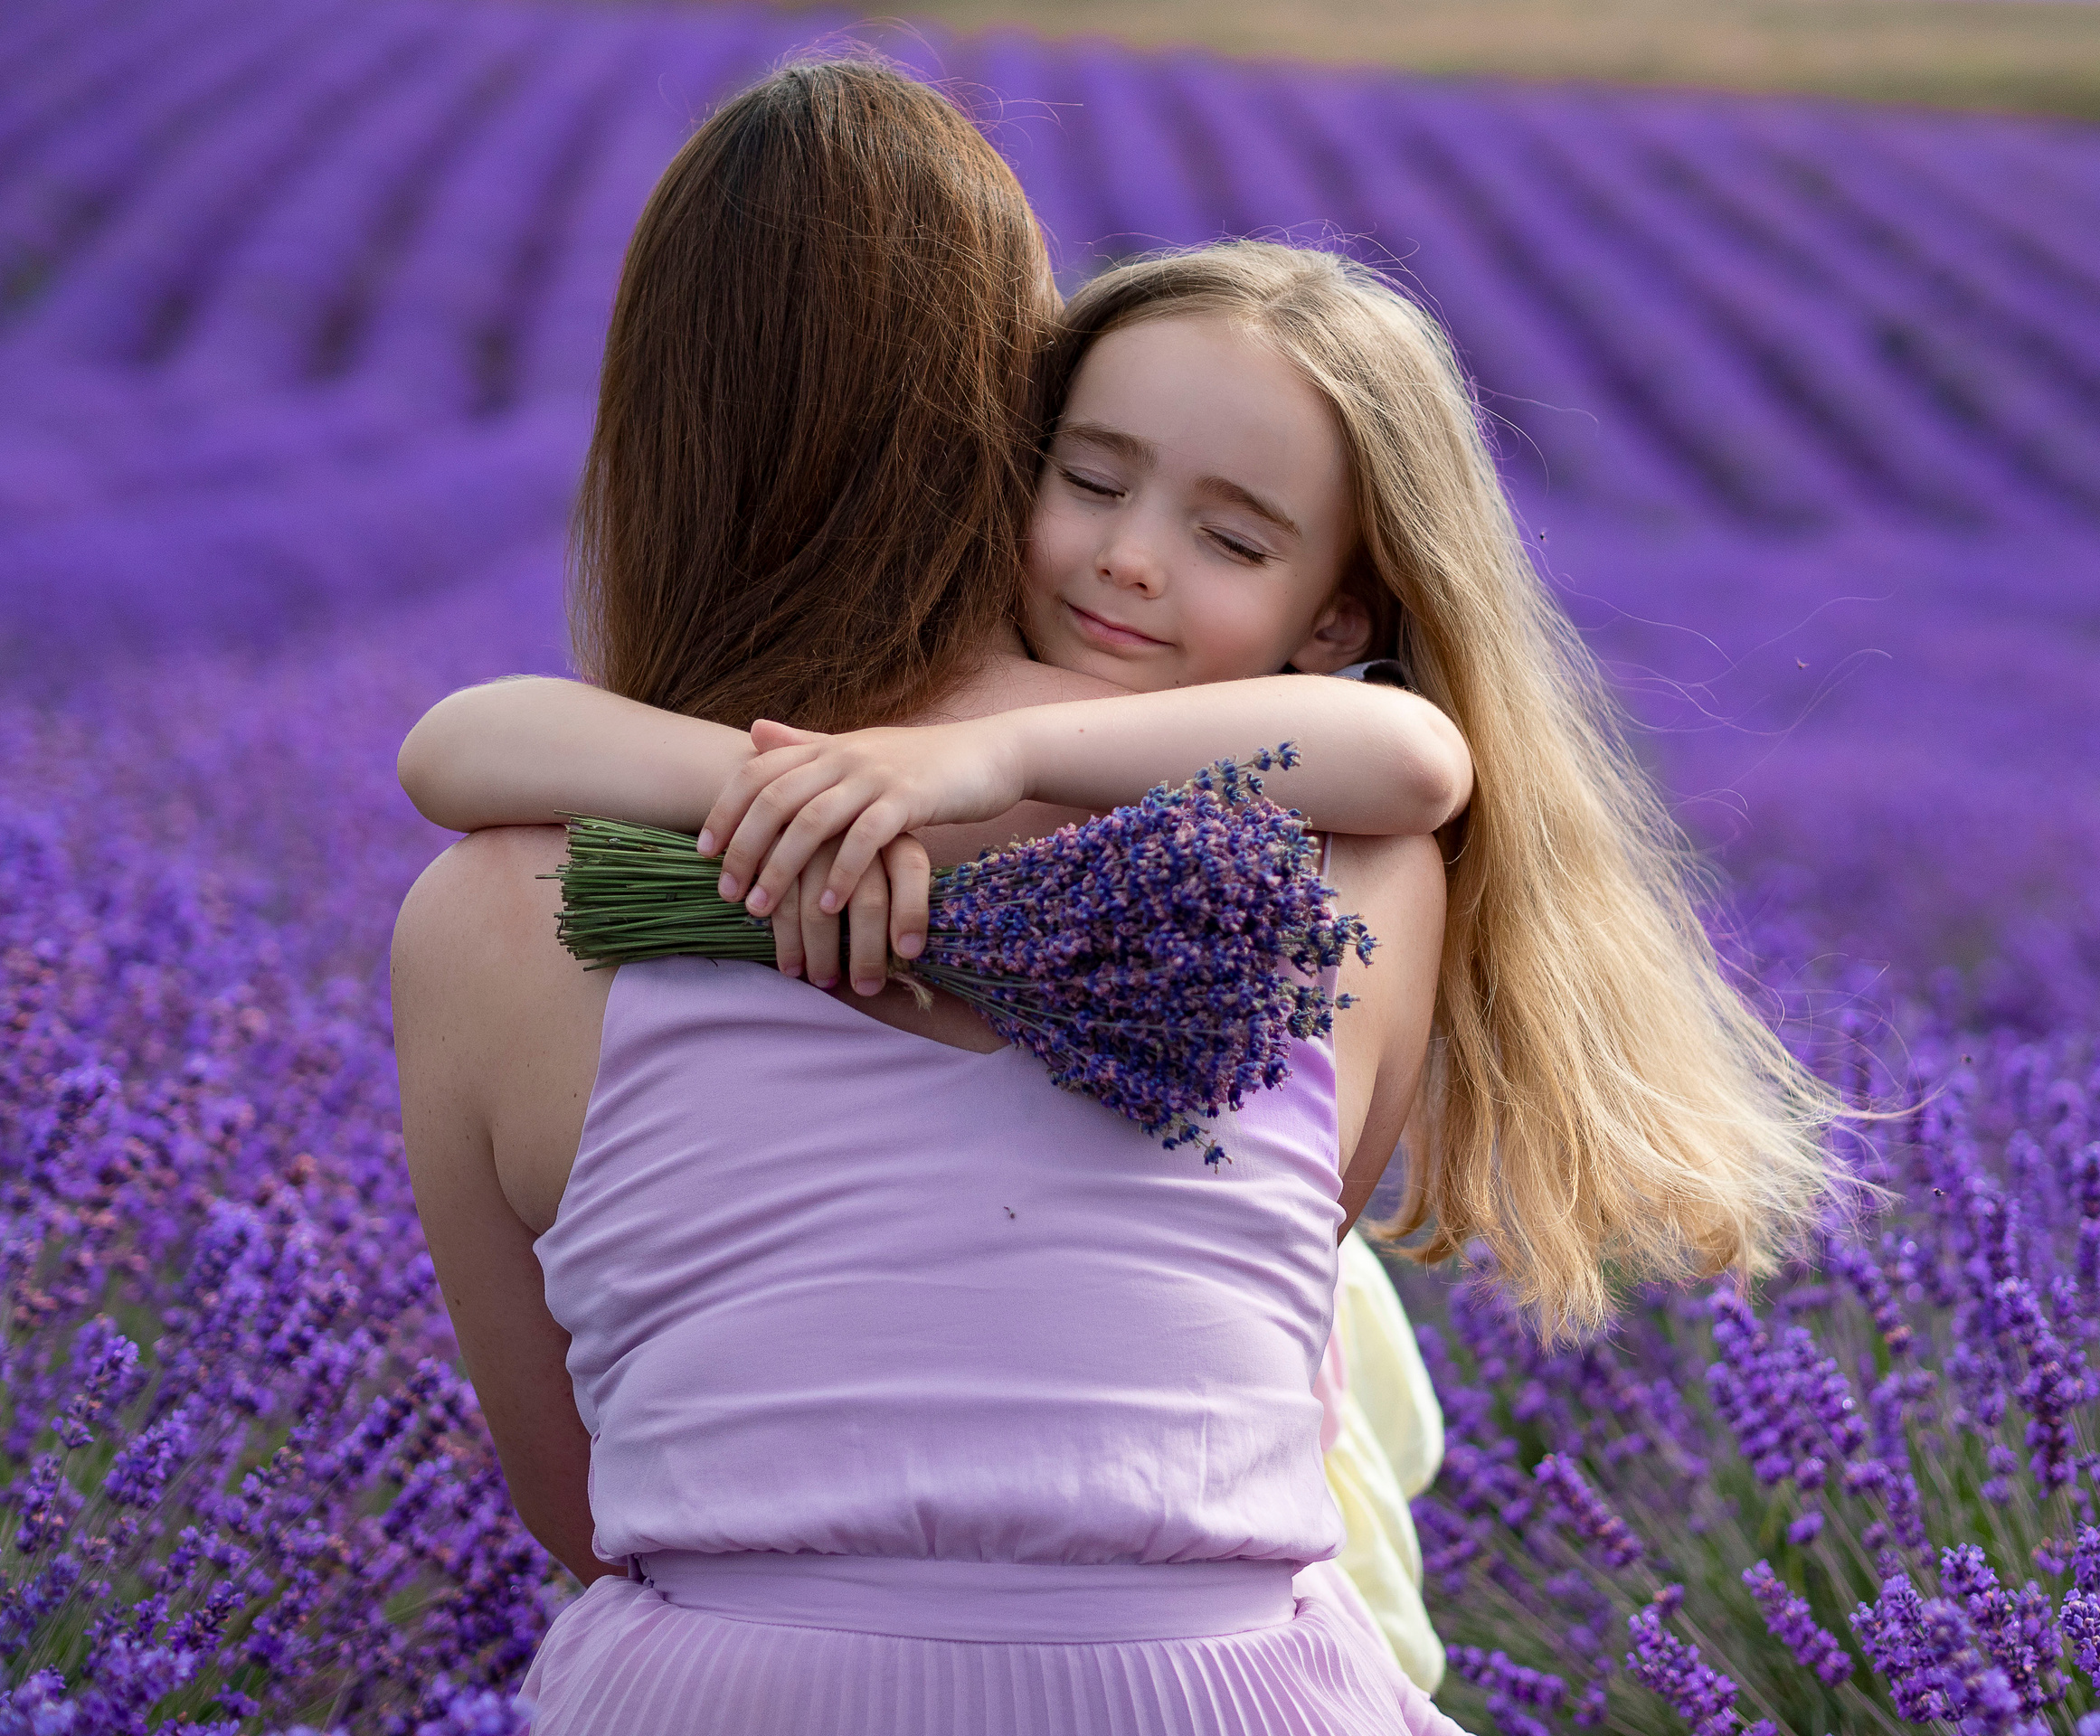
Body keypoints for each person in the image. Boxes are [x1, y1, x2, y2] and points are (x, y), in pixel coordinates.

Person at [394, 61, 1473, 1734]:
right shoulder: (1345, 873)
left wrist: (829, 787)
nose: (1129, 554)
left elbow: (582, 1512)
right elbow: (1266, 1322)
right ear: (1009, 420)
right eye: (1096, 478)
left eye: (1228, 533)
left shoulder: (491, 920)